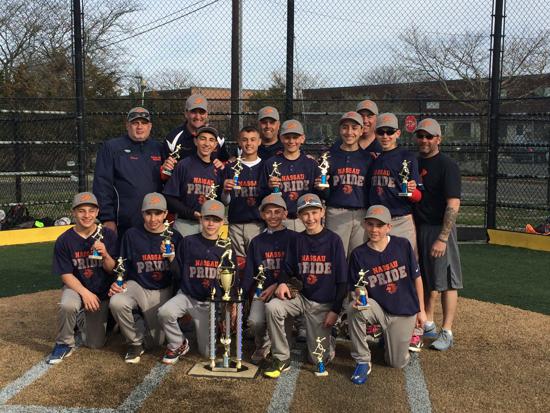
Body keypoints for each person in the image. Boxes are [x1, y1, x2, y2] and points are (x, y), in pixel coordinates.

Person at [264, 194, 347, 378]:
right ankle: (281, 357)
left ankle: (330, 338)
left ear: (322, 212)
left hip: (322, 304)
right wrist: (282, 283)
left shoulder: (334, 240)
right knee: (273, 307)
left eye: (314, 213)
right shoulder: (297, 240)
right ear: (299, 216)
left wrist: (335, 311)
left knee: (317, 359)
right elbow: (286, 268)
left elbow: (342, 281)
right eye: (305, 214)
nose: (310, 218)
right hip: (301, 298)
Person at [347, 205, 426, 384]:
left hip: (403, 311)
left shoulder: (402, 245)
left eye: (380, 225)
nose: (374, 230)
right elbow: (357, 286)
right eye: (370, 224)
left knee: (395, 363)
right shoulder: (358, 254)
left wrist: (421, 310)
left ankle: (389, 338)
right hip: (379, 309)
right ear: (364, 225)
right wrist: (360, 295)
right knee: (354, 308)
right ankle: (362, 361)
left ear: (389, 227)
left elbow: (417, 278)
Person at [365, 112, 423, 350]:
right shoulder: (374, 159)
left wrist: (412, 191)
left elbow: (418, 196)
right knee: (377, 270)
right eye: (381, 132)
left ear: (398, 133)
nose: (385, 136)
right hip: (377, 223)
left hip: (400, 220)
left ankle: (416, 327)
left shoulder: (407, 157)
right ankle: (377, 322)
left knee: (407, 271)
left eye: (390, 132)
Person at [108, 193, 182, 363]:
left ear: (165, 214)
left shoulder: (175, 237)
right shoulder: (132, 234)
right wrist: (118, 283)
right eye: (148, 213)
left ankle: (137, 320)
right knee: (117, 301)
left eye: (158, 213)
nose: (153, 218)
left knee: (155, 342)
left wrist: (171, 258)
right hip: (138, 285)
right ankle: (134, 343)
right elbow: (123, 266)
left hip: (163, 289)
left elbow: (180, 275)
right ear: (142, 213)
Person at [157, 199, 232, 364]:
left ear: (222, 222)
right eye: (207, 219)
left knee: (207, 353)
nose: (211, 223)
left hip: (209, 304)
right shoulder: (188, 242)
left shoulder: (226, 247)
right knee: (165, 312)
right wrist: (171, 258)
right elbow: (178, 274)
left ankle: (200, 330)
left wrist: (227, 308)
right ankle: (178, 343)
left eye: (216, 220)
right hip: (187, 296)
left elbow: (231, 282)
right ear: (200, 219)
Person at [47, 192, 118, 364]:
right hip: (77, 288)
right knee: (68, 304)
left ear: (97, 212)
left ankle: (96, 317)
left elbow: (113, 270)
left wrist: (105, 255)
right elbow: (66, 275)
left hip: (101, 291)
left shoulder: (108, 235)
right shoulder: (64, 240)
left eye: (91, 211)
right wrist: (85, 293)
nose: (87, 215)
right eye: (81, 211)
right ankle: (64, 342)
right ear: (73, 212)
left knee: (95, 343)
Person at [413, 118, 462, 351]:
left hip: (439, 228)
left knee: (447, 281)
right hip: (418, 227)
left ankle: (447, 330)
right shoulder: (413, 162)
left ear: (438, 139)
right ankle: (428, 322)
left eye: (429, 136)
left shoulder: (447, 165)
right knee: (424, 277)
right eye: (420, 136)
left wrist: (443, 237)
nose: (424, 140)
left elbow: (453, 203)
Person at [93, 107, 164, 239]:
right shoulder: (112, 147)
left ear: (150, 126)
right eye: (135, 123)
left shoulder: (159, 148)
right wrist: (107, 218)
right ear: (127, 125)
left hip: (154, 222)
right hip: (123, 224)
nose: (139, 127)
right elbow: (102, 184)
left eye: (144, 123)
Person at [240, 194, 295, 364]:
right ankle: (262, 345)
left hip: (287, 291)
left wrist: (278, 284)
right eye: (268, 212)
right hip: (263, 291)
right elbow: (250, 271)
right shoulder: (257, 241)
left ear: (285, 213)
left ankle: (280, 343)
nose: (273, 216)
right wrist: (239, 297)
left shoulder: (295, 238)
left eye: (277, 212)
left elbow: (297, 270)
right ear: (262, 215)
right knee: (255, 322)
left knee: (284, 334)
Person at [319, 111, 373, 257]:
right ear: (339, 129)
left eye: (354, 128)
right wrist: (321, 188)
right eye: (345, 127)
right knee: (336, 257)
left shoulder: (368, 158)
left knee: (359, 257)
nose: (349, 132)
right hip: (336, 212)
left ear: (361, 130)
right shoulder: (328, 156)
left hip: (361, 214)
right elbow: (324, 193)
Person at [259, 120, 320, 232]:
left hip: (305, 219)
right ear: (281, 138)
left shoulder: (311, 164)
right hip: (280, 220)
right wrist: (269, 187)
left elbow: (321, 195)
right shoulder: (271, 163)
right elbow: (261, 194)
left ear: (302, 138)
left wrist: (321, 187)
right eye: (287, 137)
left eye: (295, 137)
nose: (291, 141)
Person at [163, 126, 224, 236]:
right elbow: (169, 196)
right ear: (196, 141)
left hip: (210, 224)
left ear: (215, 145)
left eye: (211, 140)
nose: (206, 143)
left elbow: (222, 200)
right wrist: (191, 213)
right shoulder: (184, 165)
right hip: (185, 223)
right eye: (203, 139)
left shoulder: (218, 169)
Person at [222, 126, 264, 268]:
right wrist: (225, 191)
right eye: (245, 140)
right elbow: (225, 202)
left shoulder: (266, 166)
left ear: (259, 142)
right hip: (236, 224)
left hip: (258, 225)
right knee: (237, 266)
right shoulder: (231, 167)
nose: (249, 143)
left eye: (253, 140)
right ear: (239, 142)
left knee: (257, 265)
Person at [162, 93, 229, 176]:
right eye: (193, 112)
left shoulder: (218, 138)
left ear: (206, 114)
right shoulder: (172, 138)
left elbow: (225, 163)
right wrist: (165, 171)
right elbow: (164, 172)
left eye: (202, 112)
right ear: (186, 113)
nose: (198, 117)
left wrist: (223, 166)